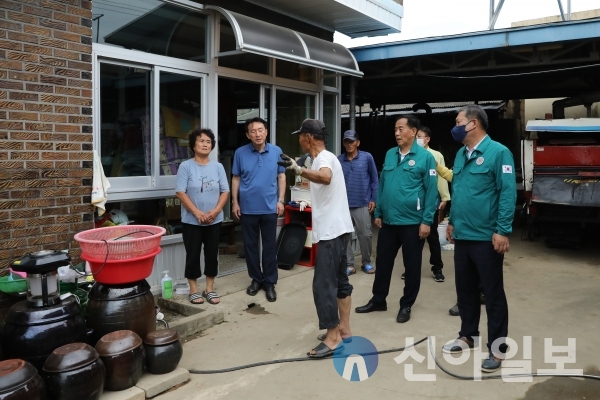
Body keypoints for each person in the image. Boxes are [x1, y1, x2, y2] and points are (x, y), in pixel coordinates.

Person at [441, 105, 516, 373]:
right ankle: (468, 335)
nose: (456, 125)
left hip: (487, 237)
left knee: (493, 293)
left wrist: (502, 230)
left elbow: (507, 194)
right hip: (463, 235)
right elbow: (459, 191)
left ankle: (498, 350)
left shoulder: (498, 153)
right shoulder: (461, 154)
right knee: (466, 290)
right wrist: (452, 222)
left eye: (459, 121)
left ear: (473, 124)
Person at [278, 119, 354, 358]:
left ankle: (332, 339)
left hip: (331, 232)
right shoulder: (328, 156)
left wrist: (299, 170)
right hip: (341, 228)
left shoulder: (323, 159)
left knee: (323, 285)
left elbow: (325, 177)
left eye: (300, 135)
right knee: (341, 281)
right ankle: (344, 329)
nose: (299, 139)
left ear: (308, 137)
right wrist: (302, 166)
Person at [355, 115, 438, 323]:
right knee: (382, 263)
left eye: (401, 129)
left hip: (412, 223)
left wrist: (427, 221)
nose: (397, 133)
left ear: (413, 131)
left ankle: (406, 305)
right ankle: (378, 300)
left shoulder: (425, 158)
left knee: (411, 267)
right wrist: (379, 212)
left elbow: (431, 192)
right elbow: (383, 185)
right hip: (389, 223)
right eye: (395, 129)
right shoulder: (390, 154)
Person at [232, 117, 286, 302]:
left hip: (270, 207)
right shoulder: (240, 153)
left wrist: (281, 200)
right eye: (253, 131)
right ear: (248, 135)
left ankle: (270, 282)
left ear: (266, 132)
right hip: (247, 209)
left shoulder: (277, 151)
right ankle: (256, 279)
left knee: (270, 246)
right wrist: (235, 202)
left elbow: (281, 177)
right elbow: (236, 178)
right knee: (250, 247)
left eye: (261, 130)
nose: (257, 134)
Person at [176, 128, 230, 305]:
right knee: (192, 254)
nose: (205, 144)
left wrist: (215, 212)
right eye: (201, 141)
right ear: (193, 145)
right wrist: (197, 212)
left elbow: (225, 191)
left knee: (212, 253)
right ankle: (193, 289)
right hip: (192, 220)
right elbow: (180, 192)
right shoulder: (186, 166)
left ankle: (210, 289)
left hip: (214, 220)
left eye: (208, 141)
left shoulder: (218, 166)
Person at [337, 130, 379, 276]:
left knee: (365, 235)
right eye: (346, 141)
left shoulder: (367, 158)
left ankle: (366, 262)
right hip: (344, 205)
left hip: (362, 203)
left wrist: (374, 199)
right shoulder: (339, 160)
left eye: (352, 141)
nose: (349, 144)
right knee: (345, 237)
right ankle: (349, 265)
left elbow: (374, 179)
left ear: (358, 143)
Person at [416, 126, 450, 282]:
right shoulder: (411, 154)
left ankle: (437, 268)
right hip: (414, 202)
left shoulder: (436, 155)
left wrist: (444, 198)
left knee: (432, 235)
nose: (417, 139)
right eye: (416, 136)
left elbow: (442, 178)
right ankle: (412, 268)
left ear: (427, 139)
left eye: (420, 136)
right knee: (413, 237)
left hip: (431, 201)